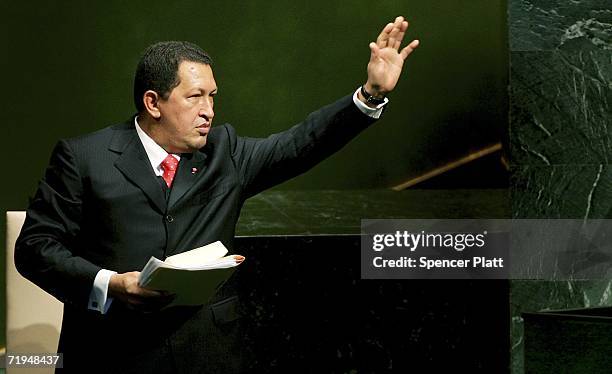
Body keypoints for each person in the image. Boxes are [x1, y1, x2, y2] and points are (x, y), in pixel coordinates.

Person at [15, 16, 419, 373]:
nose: (209, 110)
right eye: (195, 97)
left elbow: (302, 142)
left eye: (212, 96)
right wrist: (112, 284)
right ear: (153, 102)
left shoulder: (226, 153)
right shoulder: (85, 157)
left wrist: (369, 94)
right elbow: (35, 248)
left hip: (207, 352)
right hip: (113, 352)